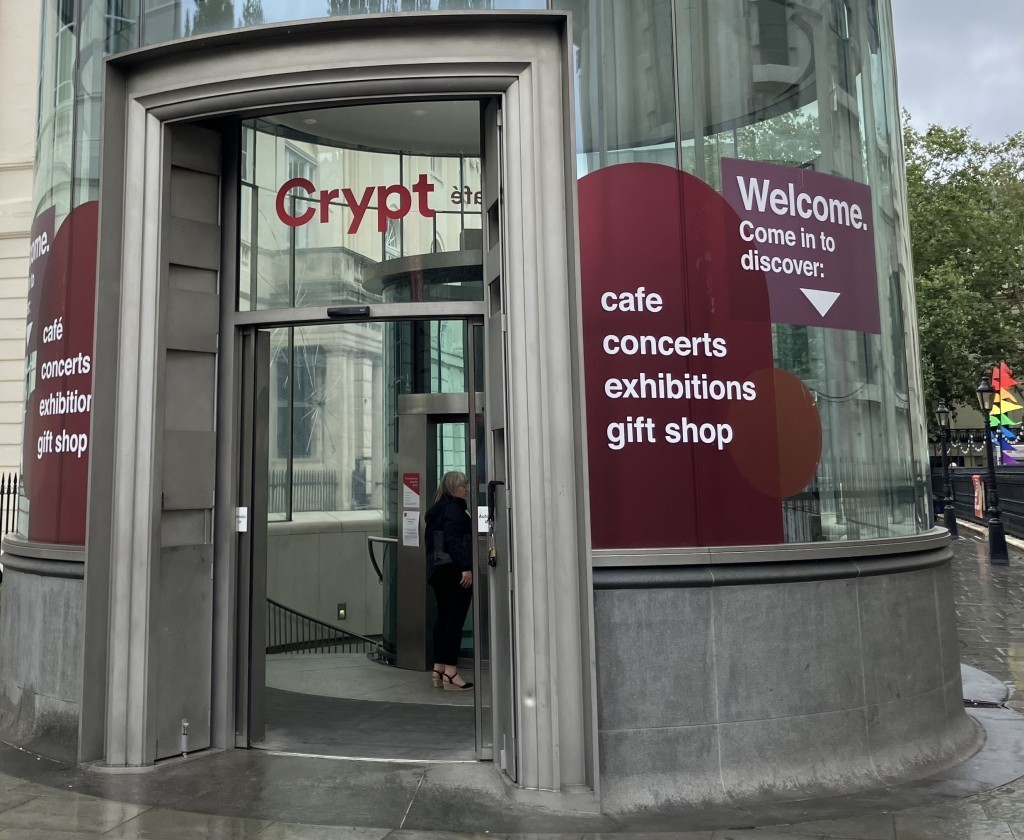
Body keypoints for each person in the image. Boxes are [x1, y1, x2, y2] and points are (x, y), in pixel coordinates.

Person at [424, 471, 474, 691]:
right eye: (464, 485)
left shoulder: (438, 510)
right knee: (454, 622)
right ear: (454, 488)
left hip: (437, 572)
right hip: (453, 571)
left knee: (443, 619)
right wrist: (465, 567)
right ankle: (452, 674)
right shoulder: (454, 510)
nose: (467, 488)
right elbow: (454, 540)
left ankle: (439, 668)